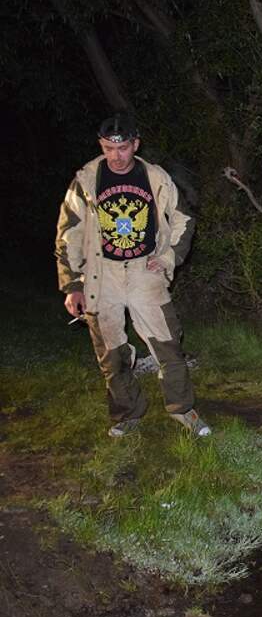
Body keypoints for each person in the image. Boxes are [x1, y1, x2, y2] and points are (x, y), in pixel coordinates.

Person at [55, 113, 210, 438]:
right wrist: (72, 284)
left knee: (168, 345)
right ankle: (127, 413)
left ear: (135, 144)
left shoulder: (155, 177)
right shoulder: (86, 180)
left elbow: (183, 218)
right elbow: (69, 231)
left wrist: (167, 257)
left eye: (123, 147)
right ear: (101, 146)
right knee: (110, 353)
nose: (116, 155)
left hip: (144, 271)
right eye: (109, 148)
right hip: (102, 275)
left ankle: (182, 409)